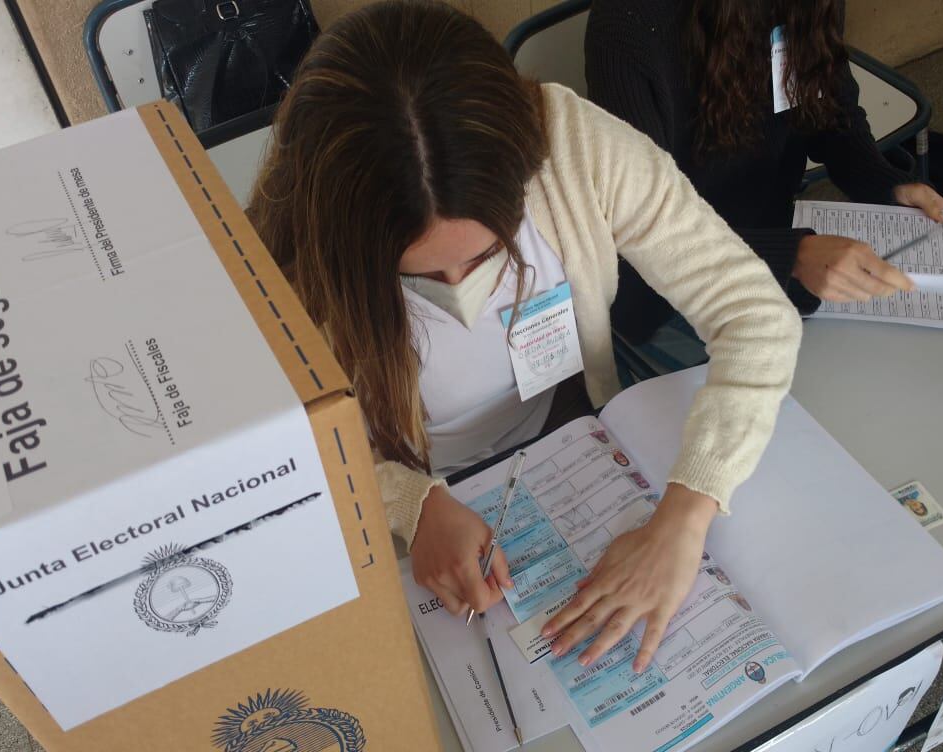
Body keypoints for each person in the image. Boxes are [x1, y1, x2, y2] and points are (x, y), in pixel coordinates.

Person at [247, 0, 801, 671]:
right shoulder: (279, 267)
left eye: (483, 257)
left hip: (569, 432)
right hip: (406, 488)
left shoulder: (573, 145)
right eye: (418, 274)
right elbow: (281, 447)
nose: (459, 288)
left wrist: (686, 516)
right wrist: (409, 504)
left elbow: (754, 314)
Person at [585, 0, 943, 344]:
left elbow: (826, 111)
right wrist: (793, 255)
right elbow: (646, 229)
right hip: (665, 292)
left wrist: (884, 182)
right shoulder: (628, 25)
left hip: (773, 252)